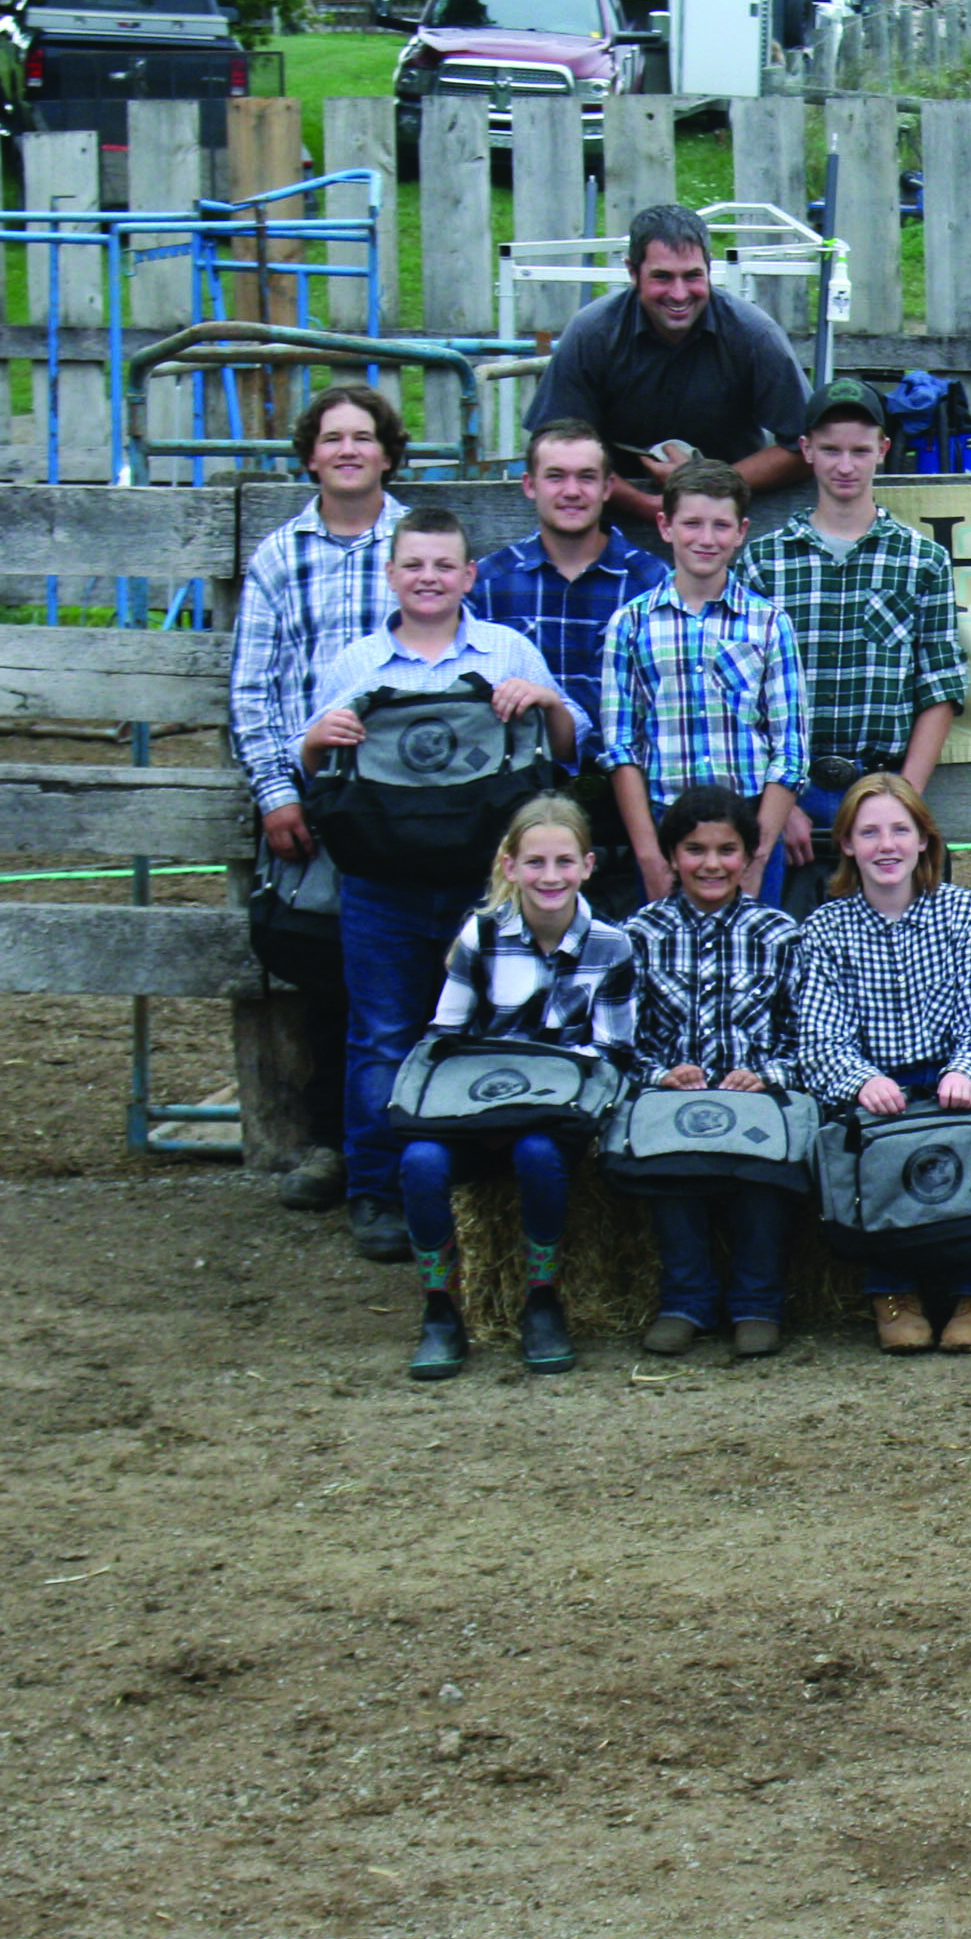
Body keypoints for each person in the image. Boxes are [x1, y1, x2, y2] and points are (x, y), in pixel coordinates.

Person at [299, 510, 586, 1266]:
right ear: (391, 575)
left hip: (482, 880)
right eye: (414, 564)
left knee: (487, 1027)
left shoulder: (508, 651)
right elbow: (316, 772)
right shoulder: (356, 661)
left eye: (444, 565)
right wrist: (315, 740)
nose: (428, 577)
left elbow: (565, 750)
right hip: (380, 879)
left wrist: (545, 701)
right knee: (381, 1036)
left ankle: (476, 1182)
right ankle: (379, 1191)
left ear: (468, 577)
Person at [228, 381, 407, 1215]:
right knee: (323, 976)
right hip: (312, 802)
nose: (347, 450)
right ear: (310, 454)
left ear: (386, 453)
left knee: (406, 973)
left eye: (362, 437)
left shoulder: (415, 544)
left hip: (401, 802)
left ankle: (408, 1143)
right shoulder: (277, 555)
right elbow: (254, 692)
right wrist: (276, 791)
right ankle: (331, 1143)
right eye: (331, 437)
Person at [387, 793, 639, 1383]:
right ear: (510, 867)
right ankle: (441, 1310)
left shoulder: (613, 946)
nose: (549, 877)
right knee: (421, 1160)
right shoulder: (479, 938)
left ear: (587, 866)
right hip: (476, 1112)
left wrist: (553, 1100)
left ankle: (542, 1301)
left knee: (539, 1155)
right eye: (535, 863)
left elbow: (612, 1053)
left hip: (553, 1118)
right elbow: (444, 1036)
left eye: (563, 862)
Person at [789, 773, 971, 1356]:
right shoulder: (825, 929)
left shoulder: (960, 912)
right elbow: (818, 1039)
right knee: (871, 1148)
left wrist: (966, 1070)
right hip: (876, 1081)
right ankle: (892, 1292)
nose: (885, 845)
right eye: (869, 833)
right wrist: (862, 1080)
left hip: (947, 1074)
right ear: (846, 845)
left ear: (923, 840)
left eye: (899, 829)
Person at [735, 380, 968, 909]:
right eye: (832, 450)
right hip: (788, 787)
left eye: (861, 451)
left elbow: (940, 686)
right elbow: (744, 695)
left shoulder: (921, 560)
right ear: (807, 450)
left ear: (883, 451)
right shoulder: (763, 563)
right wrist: (779, 804)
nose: (846, 465)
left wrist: (902, 799)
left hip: (880, 780)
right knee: (783, 939)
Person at [620, 783, 804, 1362]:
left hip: (754, 1095)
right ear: (672, 857)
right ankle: (687, 1298)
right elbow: (622, 1038)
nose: (711, 864)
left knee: (765, 1166)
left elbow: (808, 1035)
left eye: (727, 850)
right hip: (678, 1094)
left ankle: (757, 1302)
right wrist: (658, 1074)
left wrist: (770, 1074)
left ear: (750, 856)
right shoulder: (641, 935)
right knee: (670, 1159)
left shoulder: (780, 935)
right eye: (695, 850)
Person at [525, 202, 809, 538]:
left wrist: (709, 484)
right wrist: (646, 505)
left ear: (709, 268)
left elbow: (809, 446)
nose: (679, 294)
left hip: (729, 523)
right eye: (662, 277)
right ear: (633, 273)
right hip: (611, 523)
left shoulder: (753, 335)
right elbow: (550, 449)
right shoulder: (592, 333)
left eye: (692, 276)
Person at [599, 457, 806, 910]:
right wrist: (650, 854)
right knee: (668, 959)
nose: (706, 539)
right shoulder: (631, 623)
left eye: (720, 525)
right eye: (692, 523)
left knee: (751, 958)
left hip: (748, 819)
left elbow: (789, 749)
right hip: (665, 821)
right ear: (666, 526)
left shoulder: (769, 623)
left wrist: (759, 854)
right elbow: (620, 747)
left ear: (740, 531)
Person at [467, 422, 672, 871]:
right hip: (516, 803)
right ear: (529, 485)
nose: (571, 491)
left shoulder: (652, 584)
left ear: (607, 487)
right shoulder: (489, 584)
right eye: (556, 476)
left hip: (630, 801)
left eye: (586, 477)